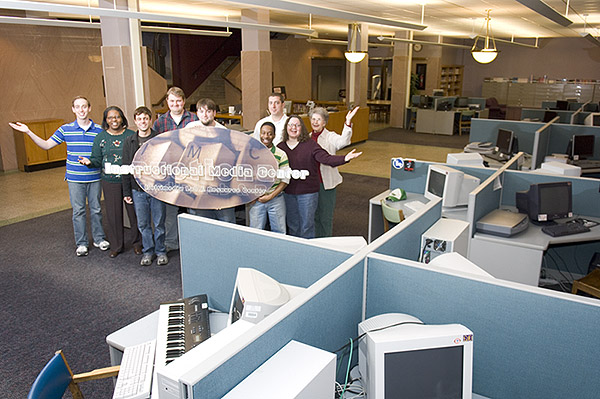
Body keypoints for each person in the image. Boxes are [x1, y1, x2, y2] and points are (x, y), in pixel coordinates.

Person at [9, 96, 110, 257]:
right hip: (74, 178)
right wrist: (28, 132)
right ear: (73, 110)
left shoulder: (99, 130)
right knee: (78, 211)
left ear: (89, 108)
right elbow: (47, 145)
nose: (81, 110)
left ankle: (99, 239)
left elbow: (106, 153)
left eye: (84, 106)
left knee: (97, 209)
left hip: (94, 176)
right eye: (78, 107)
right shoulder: (65, 129)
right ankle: (82, 243)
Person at [277, 115, 362, 239]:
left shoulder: (310, 145)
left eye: (297, 125)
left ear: (302, 128)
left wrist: (345, 158)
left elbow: (326, 158)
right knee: (292, 225)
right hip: (288, 192)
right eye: (290, 125)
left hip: (308, 193)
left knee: (307, 226)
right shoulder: (281, 147)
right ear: (286, 128)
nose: (293, 128)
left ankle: (309, 252)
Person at [79, 106, 141, 258]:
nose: (114, 120)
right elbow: (96, 159)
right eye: (110, 117)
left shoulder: (131, 135)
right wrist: (89, 162)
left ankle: (138, 243)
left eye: (117, 117)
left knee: (135, 214)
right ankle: (117, 245)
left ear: (122, 118)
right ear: (106, 120)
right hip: (110, 181)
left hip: (130, 181)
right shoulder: (101, 138)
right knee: (113, 215)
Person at [152, 87, 199, 252]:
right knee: (170, 209)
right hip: (169, 172)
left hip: (192, 171)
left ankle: (194, 242)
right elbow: (155, 146)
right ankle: (172, 242)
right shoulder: (160, 122)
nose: (175, 104)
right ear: (167, 102)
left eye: (178, 101)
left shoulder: (194, 119)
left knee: (194, 207)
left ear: (184, 101)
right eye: (172, 101)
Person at [122, 106, 168, 266]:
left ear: (150, 120)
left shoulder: (159, 139)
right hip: (137, 190)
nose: (143, 121)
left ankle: (161, 251)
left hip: (156, 189)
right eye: (139, 119)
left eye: (145, 118)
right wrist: (126, 191)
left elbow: (166, 164)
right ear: (135, 121)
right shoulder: (130, 141)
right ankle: (148, 251)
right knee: (143, 224)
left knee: (159, 222)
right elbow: (126, 167)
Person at [309, 106, 359, 237]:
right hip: (310, 184)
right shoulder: (307, 137)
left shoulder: (330, 136)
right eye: (313, 119)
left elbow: (343, 141)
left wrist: (347, 122)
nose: (315, 122)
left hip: (326, 183)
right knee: (314, 215)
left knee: (325, 217)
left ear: (324, 122)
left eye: (318, 119)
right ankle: (315, 241)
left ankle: (326, 242)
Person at [185, 98, 236, 223]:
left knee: (227, 224)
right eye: (201, 111)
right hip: (198, 187)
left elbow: (229, 160)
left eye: (208, 111)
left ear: (214, 113)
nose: (205, 114)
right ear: (197, 113)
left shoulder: (223, 132)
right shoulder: (190, 128)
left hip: (219, 187)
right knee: (202, 225)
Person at [248, 121, 290, 234]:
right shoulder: (251, 153)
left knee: (280, 232)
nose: (266, 136)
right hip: (256, 200)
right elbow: (245, 177)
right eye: (263, 133)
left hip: (276, 199)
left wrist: (271, 195)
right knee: (255, 233)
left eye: (270, 134)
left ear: (274, 136)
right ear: (260, 134)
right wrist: (251, 195)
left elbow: (285, 180)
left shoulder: (281, 154)